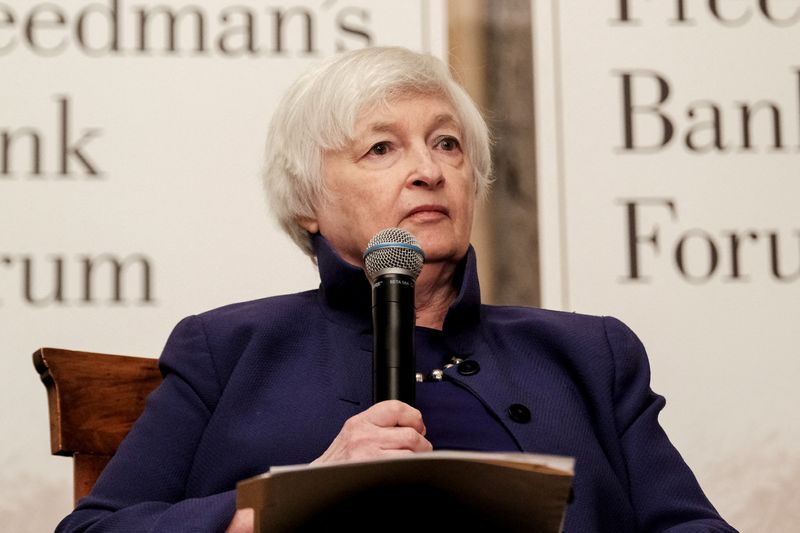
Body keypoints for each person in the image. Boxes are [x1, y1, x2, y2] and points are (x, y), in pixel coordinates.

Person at [56, 46, 735, 532]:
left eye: (447, 144)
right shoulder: (228, 349)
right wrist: (285, 504)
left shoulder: (591, 353)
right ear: (308, 202)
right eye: (381, 148)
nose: (427, 171)